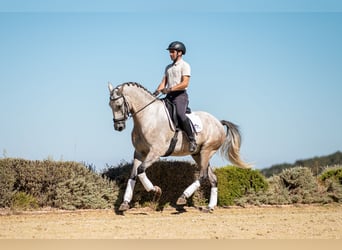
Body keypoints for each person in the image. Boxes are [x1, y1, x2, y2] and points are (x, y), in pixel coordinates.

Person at [154, 41, 197, 152]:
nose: (170, 54)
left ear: (179, 53)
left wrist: (170, 89)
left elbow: (185, 83)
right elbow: (163, 82)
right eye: (170, 52)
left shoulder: (185, 65)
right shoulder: (168, 67)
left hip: (180, 96)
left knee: (180, 114)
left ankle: (192, 140)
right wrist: (156, 92)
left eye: (172, 52)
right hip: (169, 96)